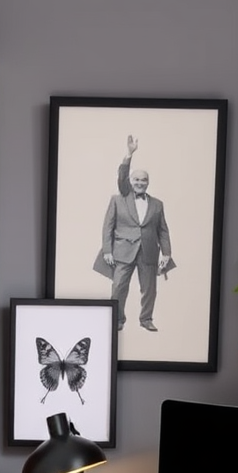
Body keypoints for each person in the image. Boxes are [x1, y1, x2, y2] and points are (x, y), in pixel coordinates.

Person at [95, 134, 175, 331]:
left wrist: (167, 253)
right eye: (137, 179)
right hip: (123, 252)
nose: (140, 182)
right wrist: (129, 154)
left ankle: (146, 319)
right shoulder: (120, 197)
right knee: (118, 287)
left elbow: (163, 230)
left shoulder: (157, 204)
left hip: (148, 252)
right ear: (131, 181)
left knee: (149, 290)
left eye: (144, 180)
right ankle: (117, 319)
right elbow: (108, 226)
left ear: (148, 182)